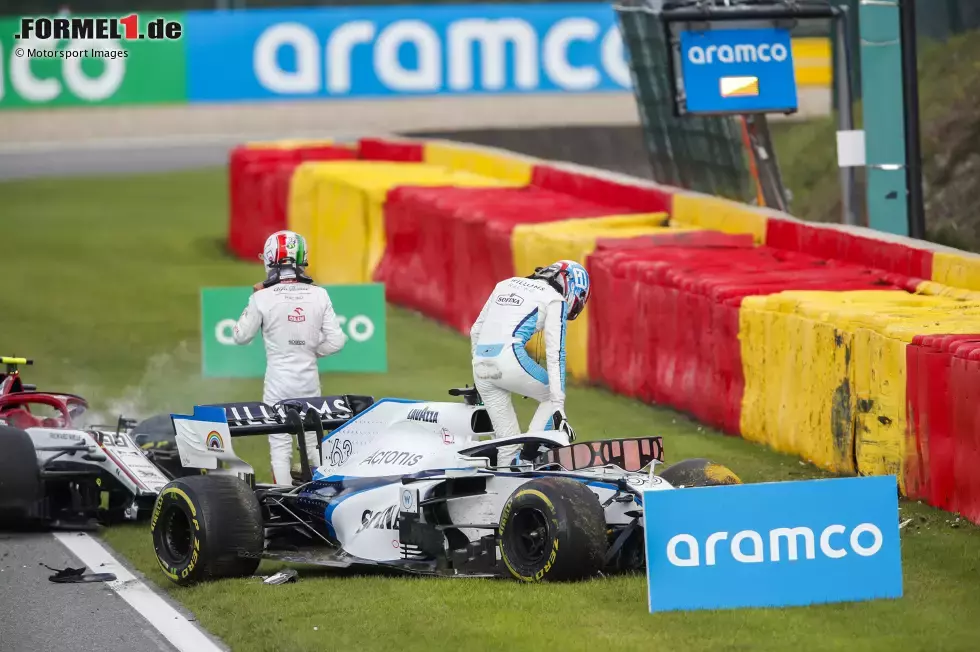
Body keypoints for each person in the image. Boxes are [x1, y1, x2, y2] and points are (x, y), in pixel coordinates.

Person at [232, 230, 347, 485]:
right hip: (309, 381)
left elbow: (239, 337)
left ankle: (283, 498)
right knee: (313, 441)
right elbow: (338, 341)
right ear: (302, 258)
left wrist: (251, 299)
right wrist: (308, 351)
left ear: (270, 258)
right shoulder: (320, 294)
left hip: (277, 383)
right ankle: (323, 495)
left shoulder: (261, 297)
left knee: (280, 443)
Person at [469, 260, 591, 465]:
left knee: (507, 448)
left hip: (480, 365)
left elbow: (475, 331)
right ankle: (529, 455)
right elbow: (556, 354)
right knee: (551, 395)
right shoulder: (555, 300)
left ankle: (507, 480)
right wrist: (559, 409)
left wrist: (478, 370)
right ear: (570, 286)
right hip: (509, 361)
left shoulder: (505, 284)